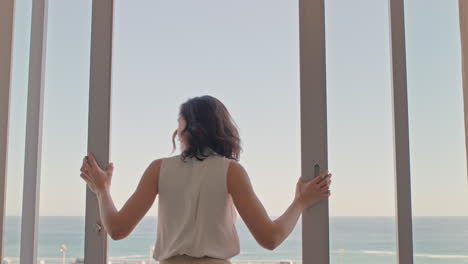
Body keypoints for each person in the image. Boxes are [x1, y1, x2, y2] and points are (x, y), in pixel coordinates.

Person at [79, 95, 332, 264]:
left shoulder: (158, 169)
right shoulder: (230, 171)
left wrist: (102, 189)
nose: (177, 133)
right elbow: (270, 238)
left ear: (188, 129)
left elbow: (117, 229)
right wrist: (300, 202)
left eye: (179, 125)